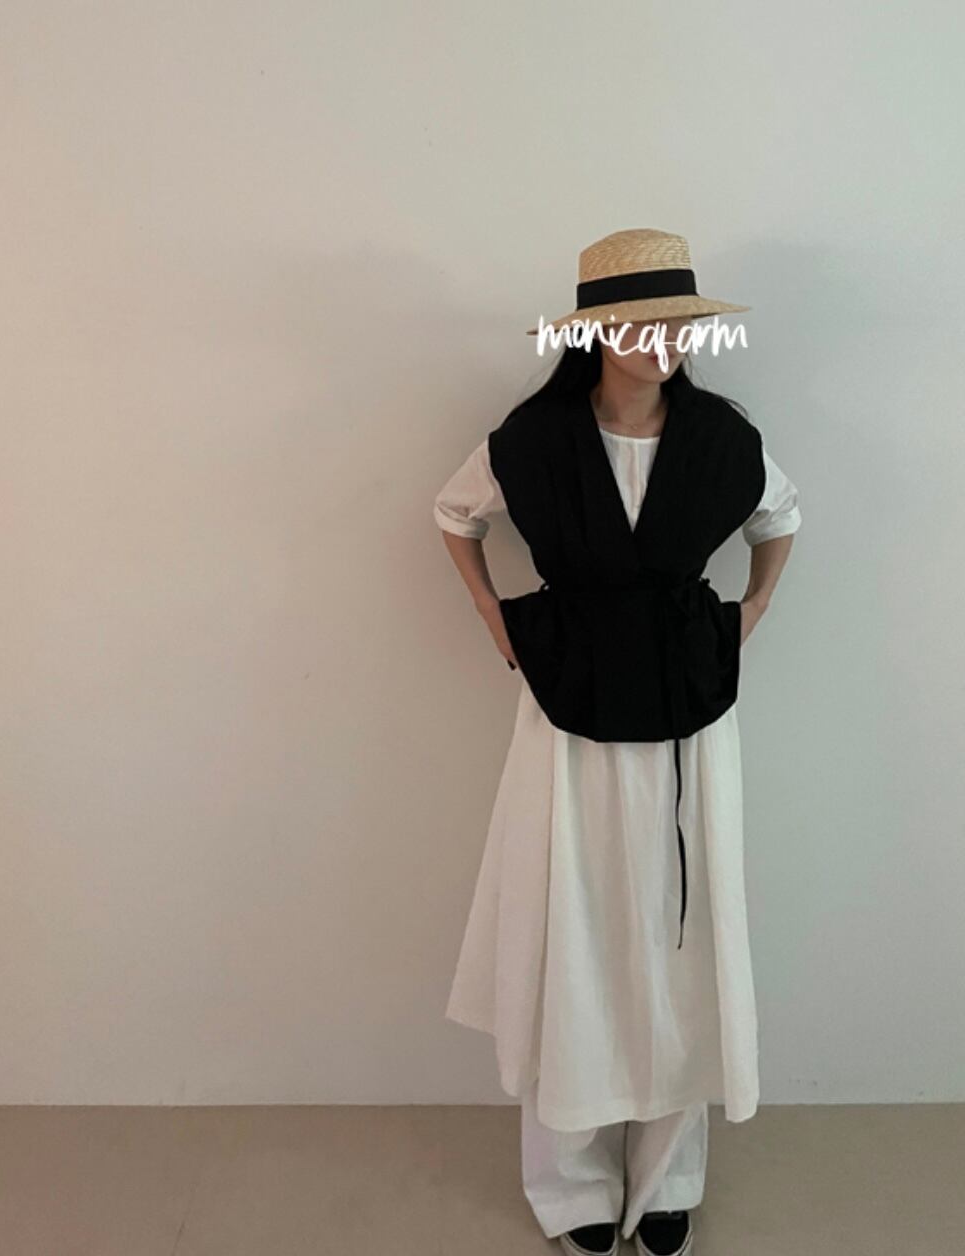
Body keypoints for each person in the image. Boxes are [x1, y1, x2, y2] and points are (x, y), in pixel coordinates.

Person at [433, 229, 801, 1256]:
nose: (663, 341)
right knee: (575, 924)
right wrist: (496, 622)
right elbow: (454, 512)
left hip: (689, 705)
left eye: (678, 324)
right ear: (595, 333)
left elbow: (781, 515)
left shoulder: (721, 438)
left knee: (680, 930)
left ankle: (670, 1171)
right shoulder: (536, 440)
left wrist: (749, 613)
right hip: (571, 704)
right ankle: (569, 1182)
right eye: (642, 323)